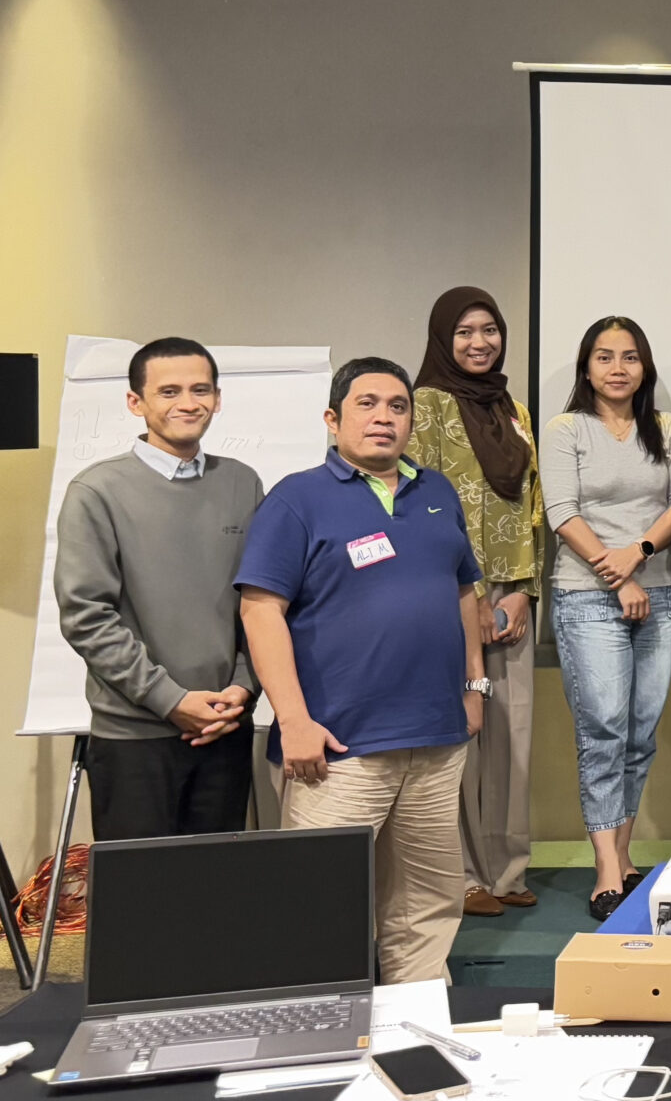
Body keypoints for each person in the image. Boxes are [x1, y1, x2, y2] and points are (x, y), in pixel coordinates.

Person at [236, 357, 488, 984]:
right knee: (322, 903)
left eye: (397, 406)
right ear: (333, 418)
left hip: (436, 737)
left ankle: (417, 1015)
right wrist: (293, 721)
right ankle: (320, 1024)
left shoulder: (437, 492)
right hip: (338, 745)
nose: (384, 417)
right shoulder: (296, 499)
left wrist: (475, 684)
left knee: (427, 903)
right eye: (367, 404)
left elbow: (464, 592)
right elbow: (260, 611)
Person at [55, 337, 263, 840]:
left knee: (217, 879)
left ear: (217, 398)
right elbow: (87, 617)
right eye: (169, 392)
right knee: (140, 885)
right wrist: (170, 700)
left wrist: (243, 689)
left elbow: (259, 602)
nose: (188, 403)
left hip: (224, 724)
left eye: (200, 390)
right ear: (136, 402)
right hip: (134, 737)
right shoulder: (96, 491)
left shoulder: (243, 483)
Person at [541, 315, 671, 920]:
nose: (618, 368)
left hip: (661, 594)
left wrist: (642, 554)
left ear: (644, 367)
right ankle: (606, 866)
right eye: (604, 357)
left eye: (629, 357)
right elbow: (561, 511)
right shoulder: (566, 429)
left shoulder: (667, 428)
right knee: (603, 728)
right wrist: (620, 574)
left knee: (639, 732)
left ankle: (624, 856)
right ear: (586, 367)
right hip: (588, 596)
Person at [405, 287, 548, 919]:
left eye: (489, 330)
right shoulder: (426, 405)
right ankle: (460, 874)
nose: (479, 342)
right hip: (453, 597)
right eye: (464, 332)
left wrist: (522, 592)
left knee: (513, 736)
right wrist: (473, 596)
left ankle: (507, 869)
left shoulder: (514, 410)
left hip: (514, 598)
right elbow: (425, 507)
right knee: (461, 736)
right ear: (443, 337)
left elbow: (533, 507)